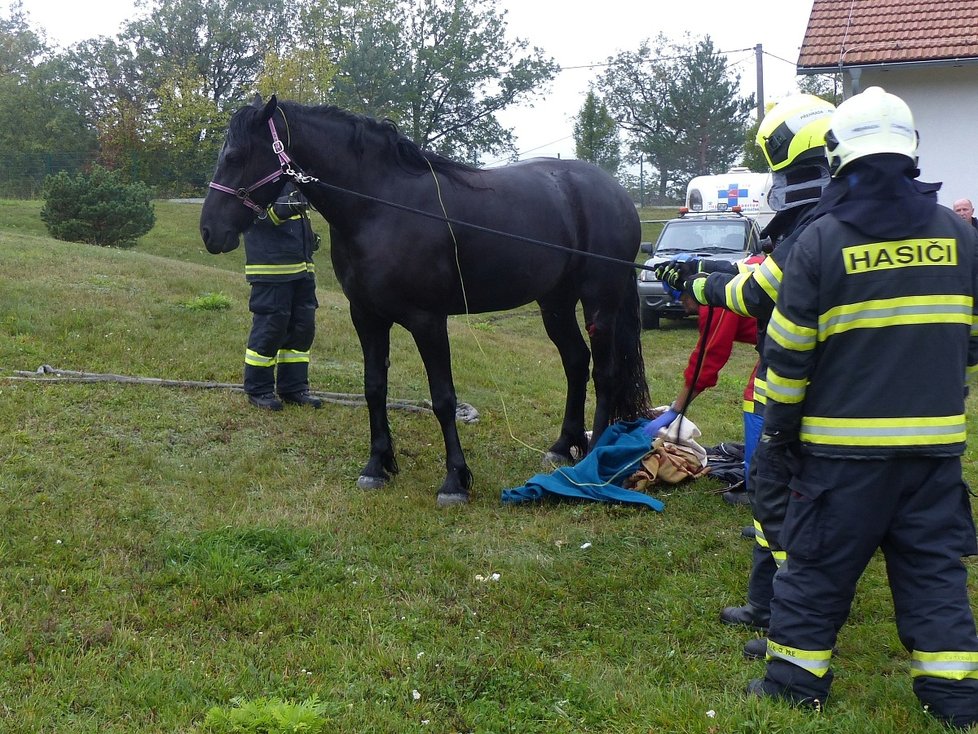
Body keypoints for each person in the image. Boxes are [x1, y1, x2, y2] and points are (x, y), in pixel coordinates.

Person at [748, 86, 978, 728]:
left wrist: (779, 436)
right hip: (934, 453)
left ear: (838, 156)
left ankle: (795, 684)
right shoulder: (960, 235)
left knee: (816, 569)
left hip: (838, 456)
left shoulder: (820, 242)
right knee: (933, 570)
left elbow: (788, 358)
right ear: (910, 153)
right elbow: (973, 339)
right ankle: (955, 697)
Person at [659, 93, 836, 658]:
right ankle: (767, 599)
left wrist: (694, 285)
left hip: (782, 392)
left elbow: (709, 356)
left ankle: (778, 610)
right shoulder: (825, 221)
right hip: (809, 389)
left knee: (777, 500)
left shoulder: (807, 233)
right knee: (775, 500)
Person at [666, 260, 761, 505]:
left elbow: (709, 356)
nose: (682, 306)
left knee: (758, 396)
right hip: (779, 333)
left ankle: (759, 486)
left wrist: (676, 410)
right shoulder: (726, 278)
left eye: (680, 296)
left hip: (794, 333)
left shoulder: (716, 301)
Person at [235, 182, 323, 410]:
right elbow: (253, 216)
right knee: (270, 329)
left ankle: (293, 387)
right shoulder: (259, 176)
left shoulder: (293, 175)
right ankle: (259, 389)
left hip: (302, 267)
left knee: (303, 329)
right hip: (271, 268)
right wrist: (284, 208)